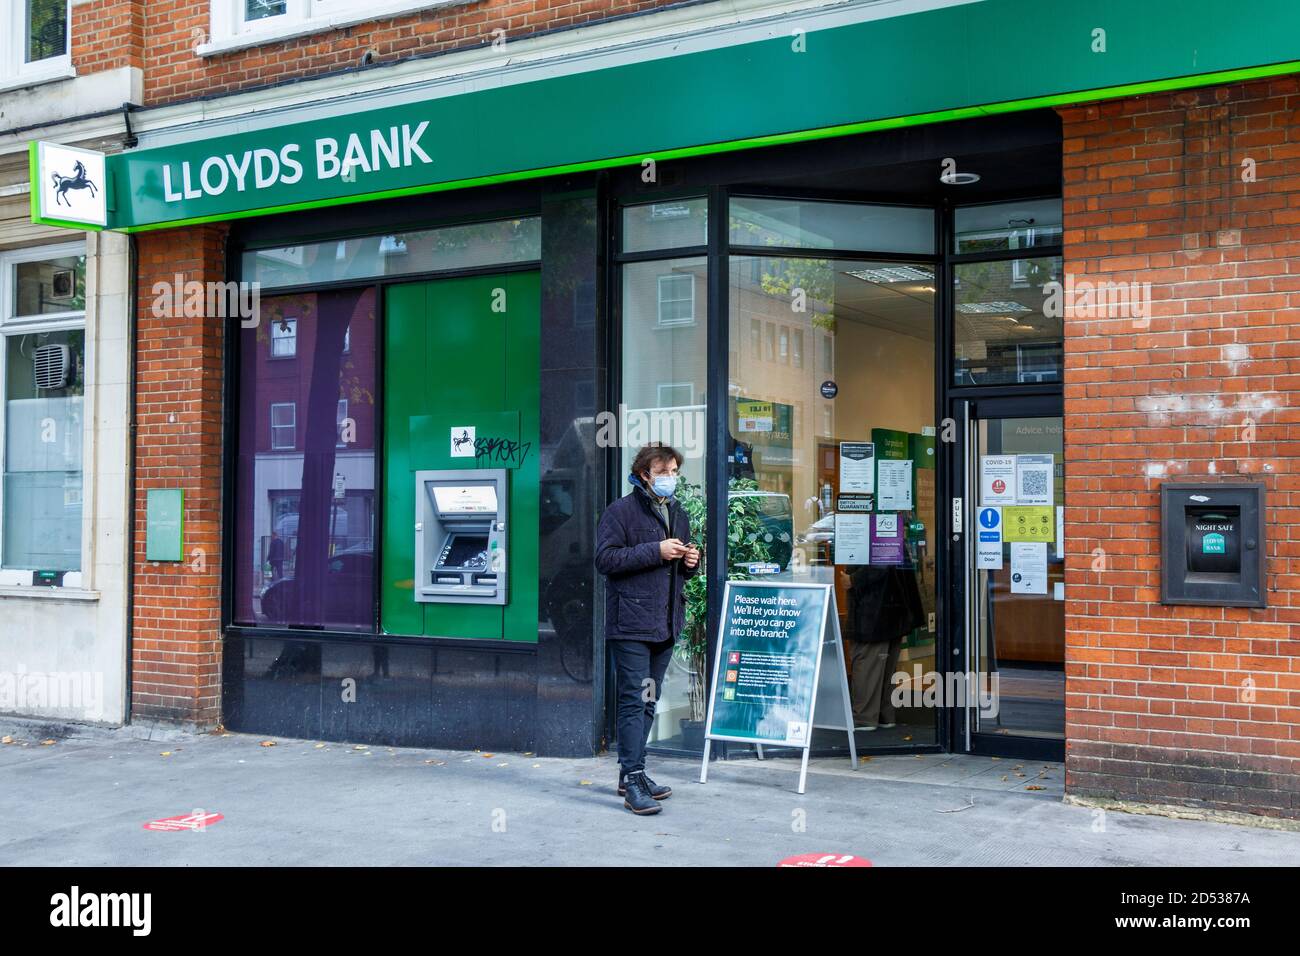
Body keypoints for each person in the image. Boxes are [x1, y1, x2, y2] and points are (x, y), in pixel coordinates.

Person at [595, 443, 701, 815]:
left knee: (648, 700)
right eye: (664, 471)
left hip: (665, 623)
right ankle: (633, 777)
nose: (671, 478)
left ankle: (633, 774)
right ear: (644, 474)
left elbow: (680, 572)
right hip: (630, 624)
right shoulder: (620, 512)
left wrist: (690, 562)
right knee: (633, 700)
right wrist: (655, 551)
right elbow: (605, 559)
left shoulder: (678, 512)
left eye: (675, 471)